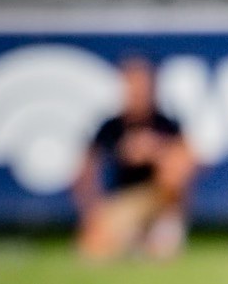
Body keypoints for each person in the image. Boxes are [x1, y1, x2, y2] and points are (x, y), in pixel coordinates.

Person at [74, 57, 198, 261]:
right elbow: (84, 170)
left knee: (176, 162)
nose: (139, 91)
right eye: (133, 84)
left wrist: (155, 152)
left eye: (143, 84)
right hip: (123, 202)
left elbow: (192, 163)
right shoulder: (111, 128)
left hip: (157, 199)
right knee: (93, 251)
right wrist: (91, 211)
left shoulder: (166, 125)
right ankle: (133, 240)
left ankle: (163, 230)